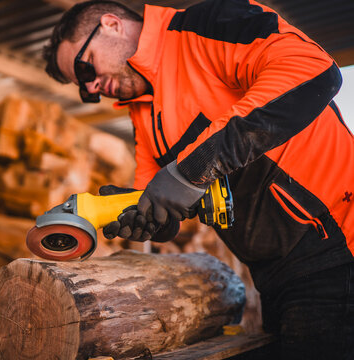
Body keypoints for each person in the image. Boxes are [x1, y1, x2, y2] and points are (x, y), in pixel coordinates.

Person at [43, 0, 354, 358]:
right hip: (275, 275)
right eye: (84, 89)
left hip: (337, 246)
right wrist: (141, 214)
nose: (93, 88)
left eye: (86, 69)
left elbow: (313, 71)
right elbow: (161, 202)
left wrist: (192, 168)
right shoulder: (143, 112)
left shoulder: (211, 23)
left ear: (111, 24)